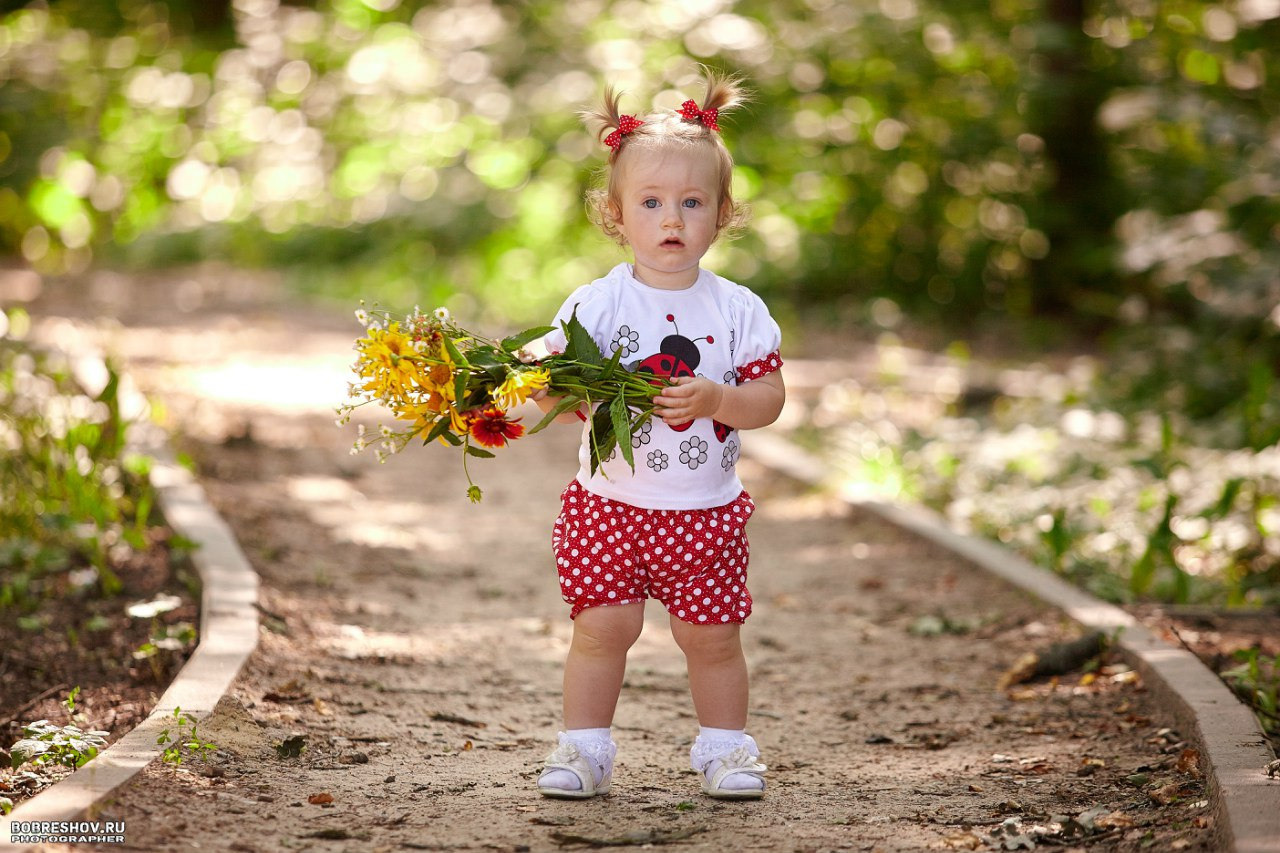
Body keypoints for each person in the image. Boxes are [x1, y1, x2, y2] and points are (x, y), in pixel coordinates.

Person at [530, 68, 786, 801]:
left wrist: (719, 398)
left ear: (721, 213)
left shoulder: (738, 310)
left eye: (691, 202)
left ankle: (727, 749)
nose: (671, 218)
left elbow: (769, 398)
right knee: (602, 631)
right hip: (610, 508)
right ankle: (584, 750)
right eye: (650, 202)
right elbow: (551, 371)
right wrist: (527, 377)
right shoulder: (599, 303)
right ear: (616, 216)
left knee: (711, 638)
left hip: (703, 512)